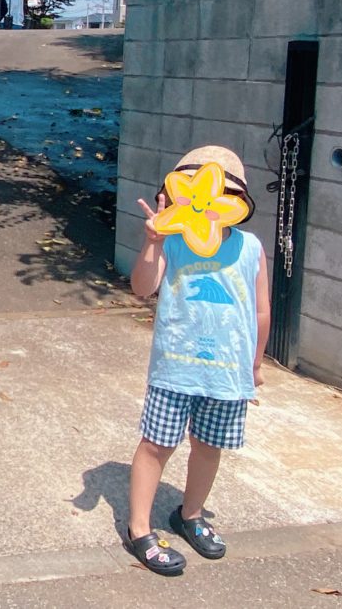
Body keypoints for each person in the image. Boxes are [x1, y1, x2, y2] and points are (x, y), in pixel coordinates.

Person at [126, 145, 270, 576]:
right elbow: (141, 288)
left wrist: (256, 363)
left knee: (209, 447)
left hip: (227, 374)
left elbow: (260, 309)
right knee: (157, 445)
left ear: (235, 203)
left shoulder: (250, 247)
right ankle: (139, 529)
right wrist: (152, 243)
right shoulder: (170, 241)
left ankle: (190, 514)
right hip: (175, 368)